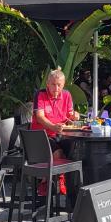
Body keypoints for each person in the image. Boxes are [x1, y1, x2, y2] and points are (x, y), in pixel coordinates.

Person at [31, 68, 78, 197]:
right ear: (47, 83)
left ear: (63, 85)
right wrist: (53, 127)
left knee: (76, 149)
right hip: (41, 136)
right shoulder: (40, 95)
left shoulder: (67, 95)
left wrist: (74, 116)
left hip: (60, 135)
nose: (56, 88)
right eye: (53, 84)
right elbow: (39, 117)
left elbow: (69, 114)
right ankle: (49, 182)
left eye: (59, 85)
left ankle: (70, 184)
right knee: (58, 152)